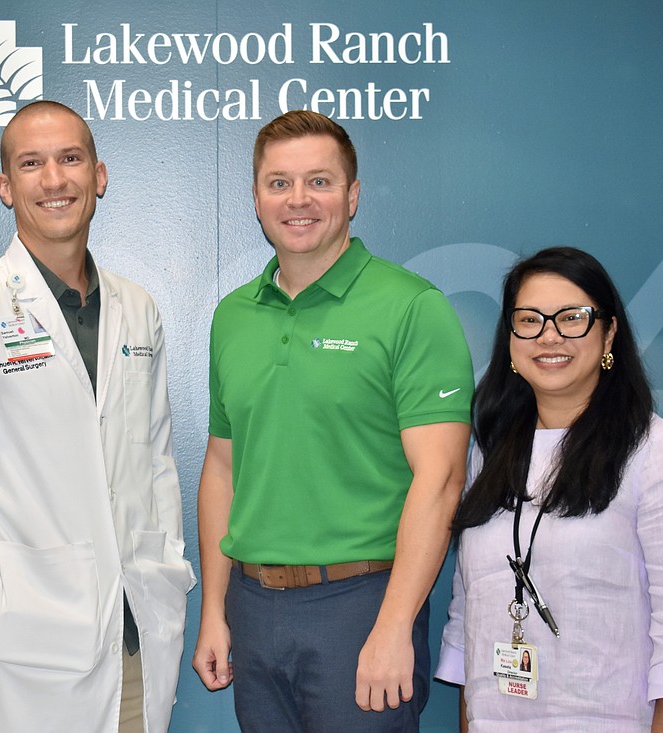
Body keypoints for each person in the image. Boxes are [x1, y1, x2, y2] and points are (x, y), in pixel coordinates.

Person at [0, 100, 193, 733]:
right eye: (32, 164)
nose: (55, 179)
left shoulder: (137, 307)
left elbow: (155, 459)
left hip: (135, 635)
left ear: (100, 175)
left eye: (71, 159)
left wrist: (167, 568)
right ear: (6, 188)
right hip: (25, 648)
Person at [192, 109, 474, 732]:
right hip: (253, 607)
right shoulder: (232, 317)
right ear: (258, 197)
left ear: (352, 196)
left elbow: (442, 478)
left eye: (319, 181)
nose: (299, 200)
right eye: (279, 182)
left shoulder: (412, 307)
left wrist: (396, 624)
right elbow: (221, 469)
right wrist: (214, 609)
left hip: (362, 606)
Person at [436, 247, 663, 731]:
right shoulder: (487, 455)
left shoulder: (657, 453)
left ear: (609, 332)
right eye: (529, 319)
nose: (549, 335)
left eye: (572, 318)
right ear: (510, 338)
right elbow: (470, 618)